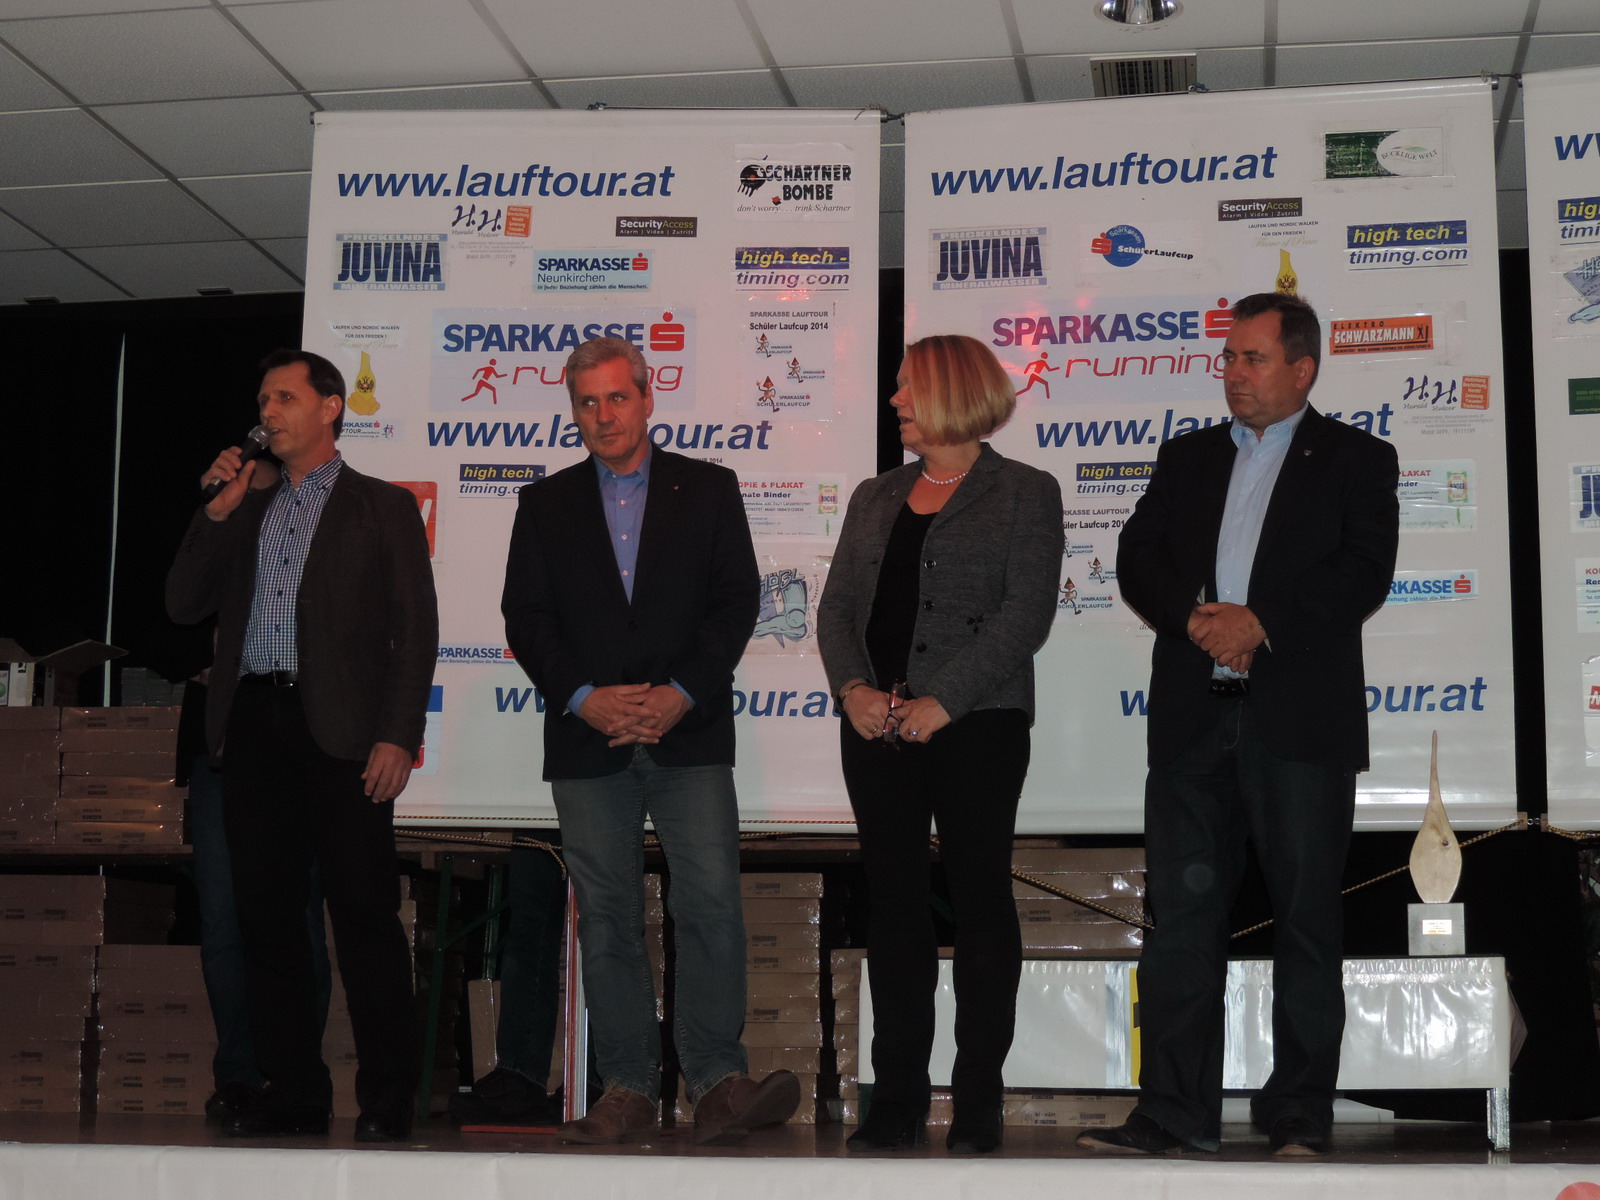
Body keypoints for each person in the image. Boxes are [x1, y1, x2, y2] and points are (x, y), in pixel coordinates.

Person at [1079, 292, 1398, 1158]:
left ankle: (1298, 1113)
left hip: (1299, 725)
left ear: (1303, 368)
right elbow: (1137, 557)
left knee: (1304, 920)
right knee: (1180, 922)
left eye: (1253, 358)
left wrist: (1260, 623)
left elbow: (1364, 570)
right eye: (1228, 358)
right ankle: (1172, 1112)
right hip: (1193, 720)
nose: (1234, 374)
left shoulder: (1358, 458)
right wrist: (1195, 620)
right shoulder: (1185, 458)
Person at [501, 336, 799, 1146]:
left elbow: (736, 601)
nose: (603, 415)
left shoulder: (707, 488)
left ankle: (717, 1082)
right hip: (586, 738)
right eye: (587, 402)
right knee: (606, 916)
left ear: (647, 396)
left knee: (710, 904)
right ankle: (627, 1088)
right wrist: (584, 698)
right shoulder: (545, 504)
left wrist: (680, 692)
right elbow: (526, 617)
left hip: (688, 731)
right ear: (574, 411)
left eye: (617, 397)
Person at [166, 348, 437, 1142]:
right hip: (253, 725)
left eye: (284, 397)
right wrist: (216, 513)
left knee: (364, 915)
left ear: (330, 407)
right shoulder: (245, 505)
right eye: (262, 400)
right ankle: (294, 1092)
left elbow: (414, 630)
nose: (268, 412)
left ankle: (388, 1096)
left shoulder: (381, 506)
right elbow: (182, 604)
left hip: (344, 733)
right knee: (267, 919)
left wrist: (398, 734)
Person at [817, 334, 1064, 1154]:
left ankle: (979, 1098)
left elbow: (1026, 614)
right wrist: (853, 690)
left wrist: (945, 701)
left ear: (953, 393)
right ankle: (896, 1100)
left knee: (980, 899)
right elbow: (836, 610)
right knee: (893, 908)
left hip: (978, 724)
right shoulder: (875, 495)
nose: (895, 401)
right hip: (877, 727)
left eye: (907, 388)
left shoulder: (1025, 492)